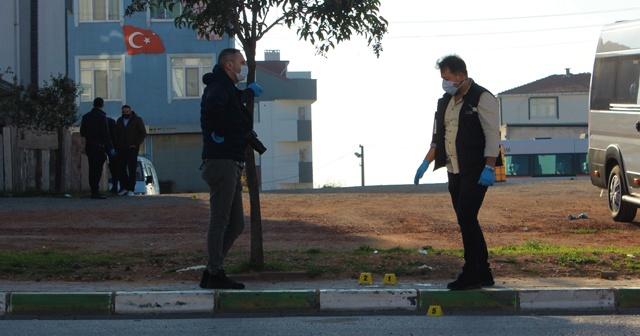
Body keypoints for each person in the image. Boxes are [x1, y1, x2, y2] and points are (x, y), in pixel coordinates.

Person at [413, 55, 500, 291]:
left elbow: (493, 135)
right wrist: (425, 163)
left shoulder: (482, 98)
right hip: (454, 170)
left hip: (477, 170)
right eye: (442, 78)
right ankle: (483, 272)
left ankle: (471, 273)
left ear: (461, 76)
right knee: (467, 220)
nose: (445, 83)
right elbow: (437, 138)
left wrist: (490, 167)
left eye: (448, 78)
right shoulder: (445, 102)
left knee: (466, 217)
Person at [198, 48, 265, 290]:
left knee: (236, 223)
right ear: (229, 65)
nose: (244, 66)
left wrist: (247, 93)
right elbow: (216, 107)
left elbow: (232, 103)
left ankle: (211, 269)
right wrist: (221, 132)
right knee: (220, 219)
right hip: (221, 160)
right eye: (241, 62)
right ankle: (215, 272)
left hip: (230, 161)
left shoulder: (226, 87)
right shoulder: (219, 88)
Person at [80, 97, 115, 199]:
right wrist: (110, 148)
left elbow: (82, 132)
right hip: (99, 147)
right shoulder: (102, 117)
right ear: (102, 105)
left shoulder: (86, 116)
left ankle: (93, 190)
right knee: (97, 170)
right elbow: (106, 134)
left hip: (89, 146)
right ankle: (96, 192)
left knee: (92, 169)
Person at [114, 105, 147, 197]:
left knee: (132, 168)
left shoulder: (137, 120)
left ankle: (131, 189)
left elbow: (143, 133)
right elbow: (116, 134)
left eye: (127, 112)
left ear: (130, 111)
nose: (125, 114)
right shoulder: (120, 121)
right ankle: (125, 187)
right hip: (121, 148)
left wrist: (136, 144)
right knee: (121, 168)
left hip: (132, 148)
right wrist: (117, 146)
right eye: (123, 112)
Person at [107, 116, 120, 194]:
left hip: (113, 151)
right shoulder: (115, 130)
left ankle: (115, 187)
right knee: (115, 169)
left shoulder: (110, 131)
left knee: (114, 169)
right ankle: (116, 186)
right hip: (115, 151)